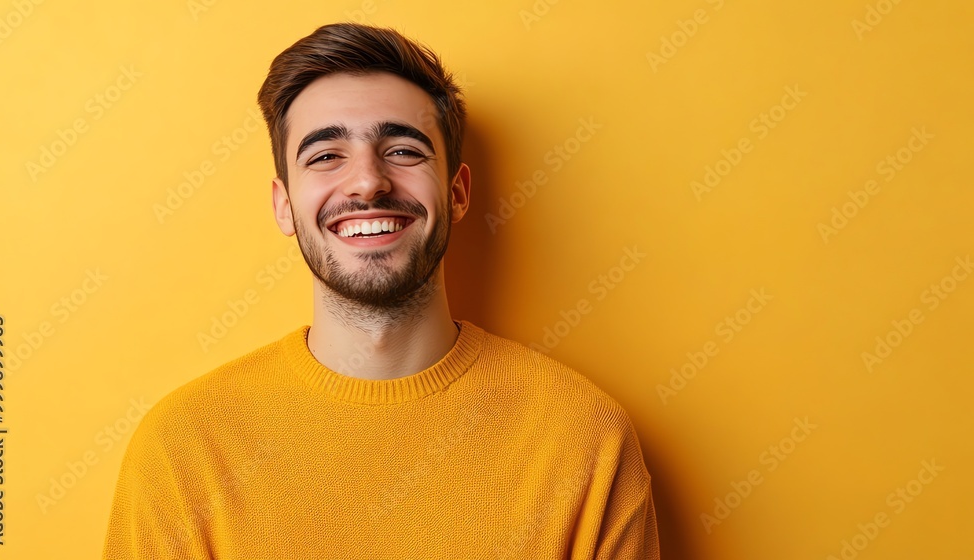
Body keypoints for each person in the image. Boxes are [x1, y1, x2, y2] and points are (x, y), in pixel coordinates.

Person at [102, 22, 660, 559]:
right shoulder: (183, 450)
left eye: (403, 150)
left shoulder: (582, 439)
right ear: (284, 204)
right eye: (325, 156)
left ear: (458, 191)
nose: (368, 180)